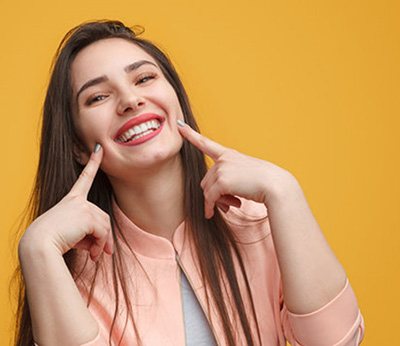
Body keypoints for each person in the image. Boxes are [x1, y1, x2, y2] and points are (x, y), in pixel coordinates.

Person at [13, 20, 365, 346]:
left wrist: (285, 191)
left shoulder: (260, 222)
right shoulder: (73, 272)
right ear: (77, 145)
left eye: (145, 78)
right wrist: (37, 250)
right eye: (98, 97)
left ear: (176, 100)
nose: (131, 100)